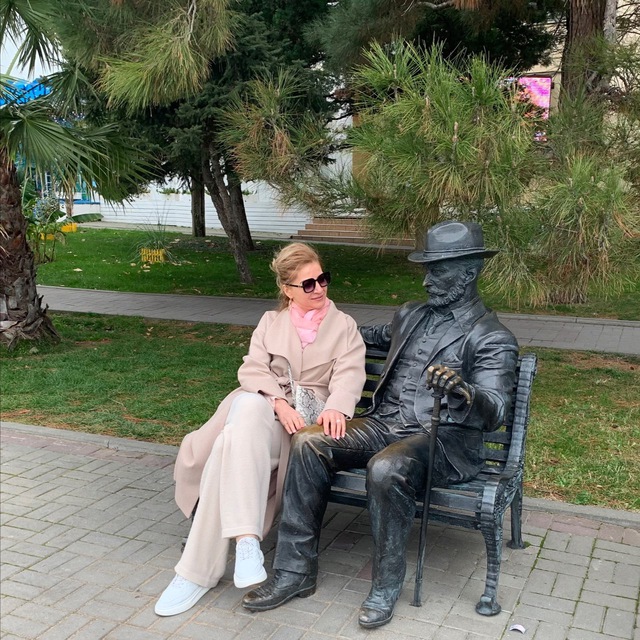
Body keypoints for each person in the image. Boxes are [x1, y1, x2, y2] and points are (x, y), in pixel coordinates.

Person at [242, 221, 519, 628]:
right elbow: (360, 335)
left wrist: (464, 391)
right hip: (384, 423)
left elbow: (495, 410)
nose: (426, 281)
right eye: (425, 270)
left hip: (440, 439)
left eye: (437, 271)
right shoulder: (411, 314)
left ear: (469, 272)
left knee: (387, 466)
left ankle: (386, 585)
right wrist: (316, 330)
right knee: (309, 441)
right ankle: (294, 572)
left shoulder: (491, 337)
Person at [155, 242, 366, 617]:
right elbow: (252, 368)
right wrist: (279, 402)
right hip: (265, 412)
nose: (319, 288)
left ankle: (196, 573)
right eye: (308, 284)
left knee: (226, 448)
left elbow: (350, 373)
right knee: (249, 405)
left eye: (323, 279)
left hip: (300, 427)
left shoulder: (344, 326)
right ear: (287, 289)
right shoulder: (271, 322)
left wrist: (336, 406)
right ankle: (247, 543)